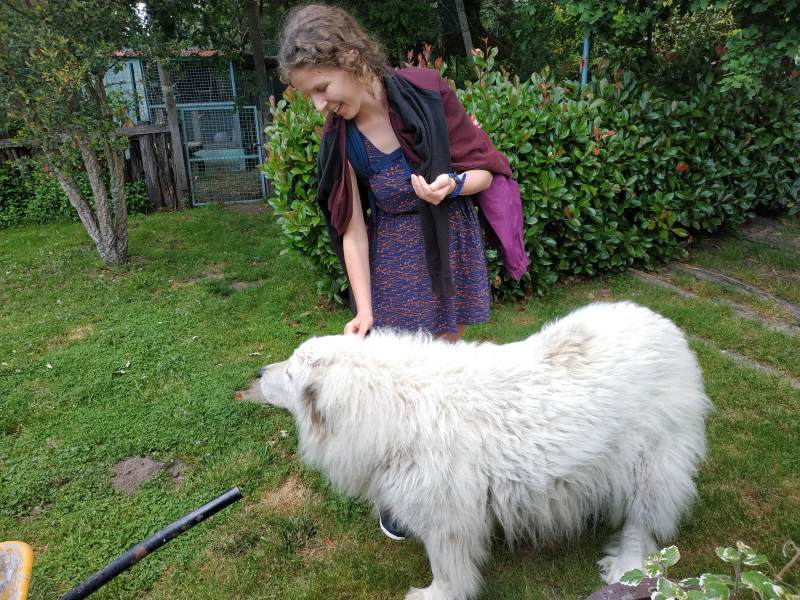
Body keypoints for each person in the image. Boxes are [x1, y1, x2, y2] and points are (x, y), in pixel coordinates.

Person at [277, 4, 527, 540]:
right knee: (397, 389)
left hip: (447, 248)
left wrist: (452, 186)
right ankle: (403, 491)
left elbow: (487, 167)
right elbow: (351, 227)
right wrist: (364, 309)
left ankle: (457, 479)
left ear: (349, 57)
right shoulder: (341, 137)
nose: (320, 103)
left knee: (447, 380)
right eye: (310, 95)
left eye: (321, 87)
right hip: (392, 255)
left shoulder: (427, 92)